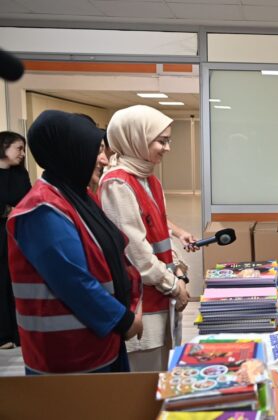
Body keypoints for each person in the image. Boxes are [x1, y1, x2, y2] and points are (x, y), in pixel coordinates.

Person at [6, 110, 143, 374]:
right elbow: (74, 282)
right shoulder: (42, 209)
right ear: (71, 152)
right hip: (69, 357)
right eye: (97, 150)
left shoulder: (78, 196)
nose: (104, 159)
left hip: (102, 342)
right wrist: (124, 321)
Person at [99, 104, 195, 372]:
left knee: (163, 371)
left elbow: (160, 233)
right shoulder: (117, 184)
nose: (167, 148)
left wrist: (178, 269)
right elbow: (137, 254)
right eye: (161, 141)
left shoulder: (149, 179)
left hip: (161, 294)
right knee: (146, 381)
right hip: (142, 303)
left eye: (168, 141)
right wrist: (174, 285)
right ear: (136, 139)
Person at [0, 131, 31, 349]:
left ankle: (18, 333)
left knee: (15, 283)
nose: (22, 154)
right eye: (18, 148)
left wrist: (11, 210)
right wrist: (9, 209)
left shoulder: (21, 173)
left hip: (16, 234)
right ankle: (3, 335)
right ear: (4, 147)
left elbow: (27, 201)